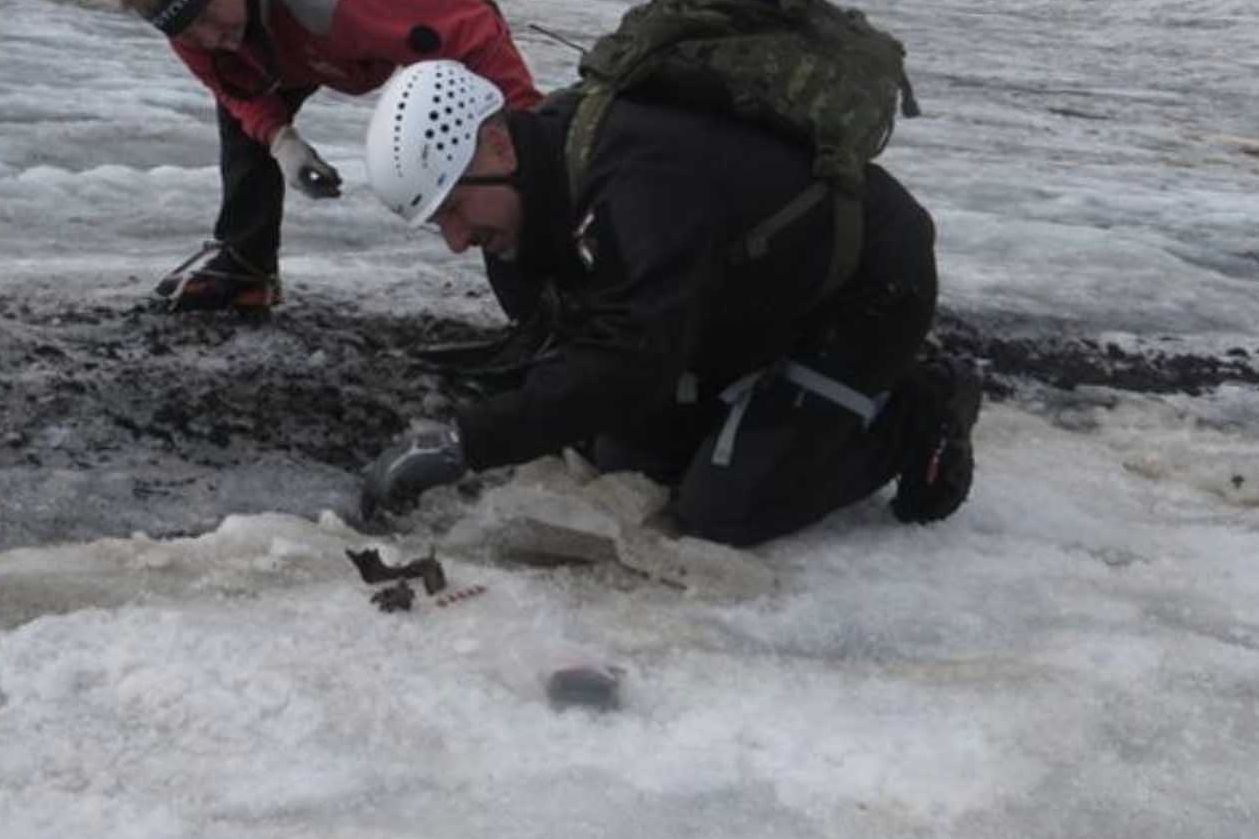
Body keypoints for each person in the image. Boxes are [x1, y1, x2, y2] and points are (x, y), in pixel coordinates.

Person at [356, 60, 979, 547]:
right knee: (627, 460)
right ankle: (768, 402)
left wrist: (466, 442)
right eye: (440, 224)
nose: (457, 241)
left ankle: (919, 410)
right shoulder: (520, 211)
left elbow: (631, 362)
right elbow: (574, 353)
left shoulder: (640, 177)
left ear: (497, 146)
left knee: (721, 510)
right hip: (742, 298)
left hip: (865, 287)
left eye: (455, 211)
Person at [117, 0, 541, 312]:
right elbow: (235, 93)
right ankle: (246, 264)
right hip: (306, 15)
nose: (212, 36)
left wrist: (532, 142)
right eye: (191, 32)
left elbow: (473, 35)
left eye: (209, 14)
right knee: (242, 93)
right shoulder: (193, 24)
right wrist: (281, 140)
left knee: (481, 146)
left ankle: (536, 300)